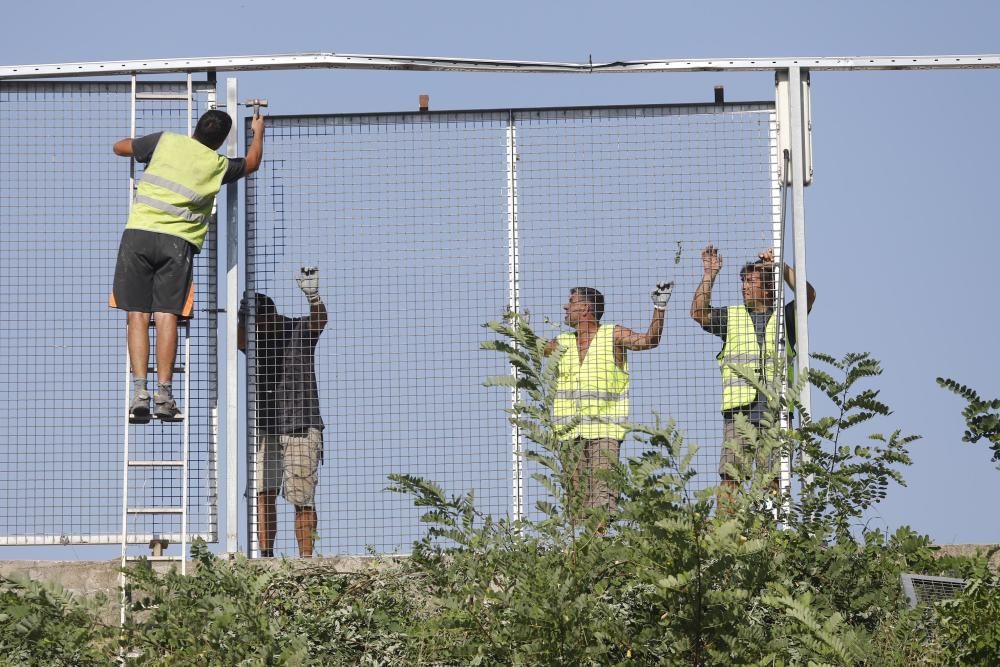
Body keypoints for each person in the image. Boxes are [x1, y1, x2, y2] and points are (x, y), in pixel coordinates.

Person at [113, 109, 265, 422]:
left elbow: (120, 146)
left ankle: (139, 391)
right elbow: (251, 164)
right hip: (178, 244)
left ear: (195, 128)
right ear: (221, 141)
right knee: (167, 315)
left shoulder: (165, 142)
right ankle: (164, 393)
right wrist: (258, 131)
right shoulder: (218, 164)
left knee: (137, 314)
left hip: (138, 236)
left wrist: (140, 147)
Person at [690, 245, 816, 506]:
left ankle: (767, 538)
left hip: (777, 413)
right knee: (730, 478)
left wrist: (780, 267)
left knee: (773, 481)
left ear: (769, 288)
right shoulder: (731, 318)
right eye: (743, 282)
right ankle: (727, 537)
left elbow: (808, 295)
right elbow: (698, 313)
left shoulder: (785, 318)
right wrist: (709, 275)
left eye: (751, 281)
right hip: (739, 415)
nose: (744, 287)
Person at [544, 283, 673, 512]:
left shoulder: (612, 334)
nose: (566, 306)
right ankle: (581, 548)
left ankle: (603, 542)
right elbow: (533, 347)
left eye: (571, 302)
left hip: (605, 432)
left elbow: (648, 341)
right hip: (568, 433)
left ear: (585, 308)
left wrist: (659, 308)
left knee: (603, 496)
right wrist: (516, 325)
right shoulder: (562, 342)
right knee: (576, 502)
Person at [239, 267, 327, 557]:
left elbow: (319, 322)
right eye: (252, 325)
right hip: (266, 426)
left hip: (301, 424)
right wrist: (241, 319)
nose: (257, 330)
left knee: (302, 496)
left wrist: (313, 297)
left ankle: (306, 559)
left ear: (272, 316)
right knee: (263, 493)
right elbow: (239, 341)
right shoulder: (254, 343)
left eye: (259, 323)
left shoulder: (297, 330)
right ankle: (266, 556)